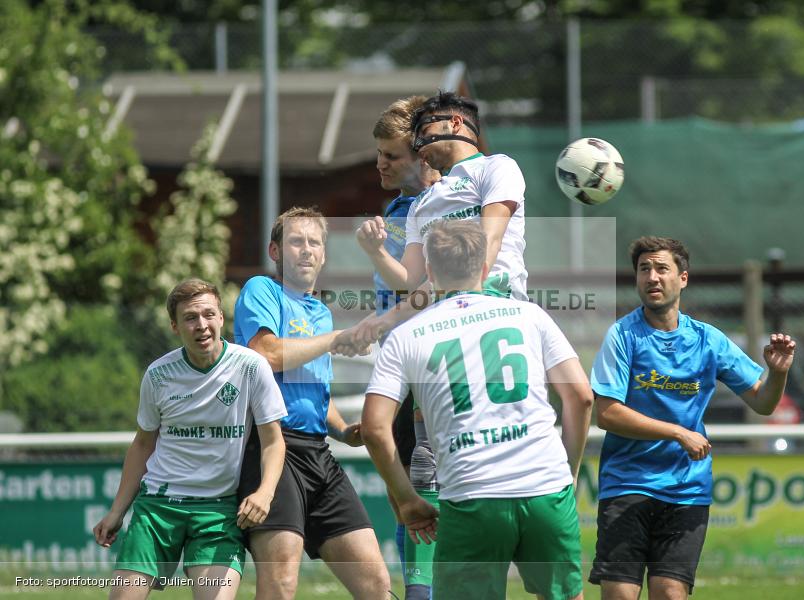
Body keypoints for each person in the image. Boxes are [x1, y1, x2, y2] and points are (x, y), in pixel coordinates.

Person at [361, 220, 594, 600]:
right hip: (546, 487)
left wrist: (407, 499)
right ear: (485, 269)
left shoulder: (405, 336)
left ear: (431, 273)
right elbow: (581, 397)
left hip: (471, 493)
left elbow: (373, 428)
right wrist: (566, 472)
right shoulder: (529, 315)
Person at [589, 236, 796, 600]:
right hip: (627, 484)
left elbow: (763, 403)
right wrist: (678, 433)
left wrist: (777, 373)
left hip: (686, 489)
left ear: (683, 278)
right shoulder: (622, 335)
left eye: (662, 268)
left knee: (670, 593)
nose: (652, 277)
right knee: (620, 595)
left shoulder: (708, 340)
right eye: (644, 269)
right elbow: (606, 413)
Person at [93, 279, 287, 600]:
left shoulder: (251, 367)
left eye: (209, 314)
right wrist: (117, 511)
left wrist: (264, 493)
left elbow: (274, 441)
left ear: (222, 318)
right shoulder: (158, 374)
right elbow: (143, 444)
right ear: (174, 326)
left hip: (218, 511)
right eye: (190, 318)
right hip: (157, 508)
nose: (202, 325)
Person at [233, 207, 391, 599]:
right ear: (275, 250)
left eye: (314, 242)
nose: (306, 250)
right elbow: (267, 354)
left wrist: (344, 429)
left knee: (376, 584)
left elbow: (313, 388)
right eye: (296, 241)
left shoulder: (319, 312)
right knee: (281, 582)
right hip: (272, 446)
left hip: (319, 452)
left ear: (323, 254)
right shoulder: (261, 290)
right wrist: (337, 339)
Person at [343, 90, 528, 349]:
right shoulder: (420, 204)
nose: (419, 143)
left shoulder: (496, 167)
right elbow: (408, 282)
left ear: (454, 123)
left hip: (496, 314)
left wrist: (387, 319)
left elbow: (487, 245)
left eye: (424, 130)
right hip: (443, 327)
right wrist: (375, 252)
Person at [371, 95, 442, 599]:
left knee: (431, 485)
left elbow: (422, 293)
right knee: (406, 494)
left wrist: (374, 251)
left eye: (390, 155)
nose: (380, 164)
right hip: (399, 365)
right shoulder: (397, 208)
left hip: (436, 368)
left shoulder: (445, 208)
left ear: (421, 156)